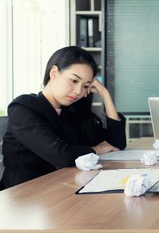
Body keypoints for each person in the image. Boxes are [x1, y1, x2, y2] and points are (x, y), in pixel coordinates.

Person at [0, 46, 127, 190]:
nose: (79, 91)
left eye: (86, 86)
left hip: (61, 189)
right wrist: (95, 149)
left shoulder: (71, 112)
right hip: (23, 195)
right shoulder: (24, 106)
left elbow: (116, 143)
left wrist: (105, 94)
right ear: (54, 73)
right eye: (74, 81)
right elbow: (61, 154)